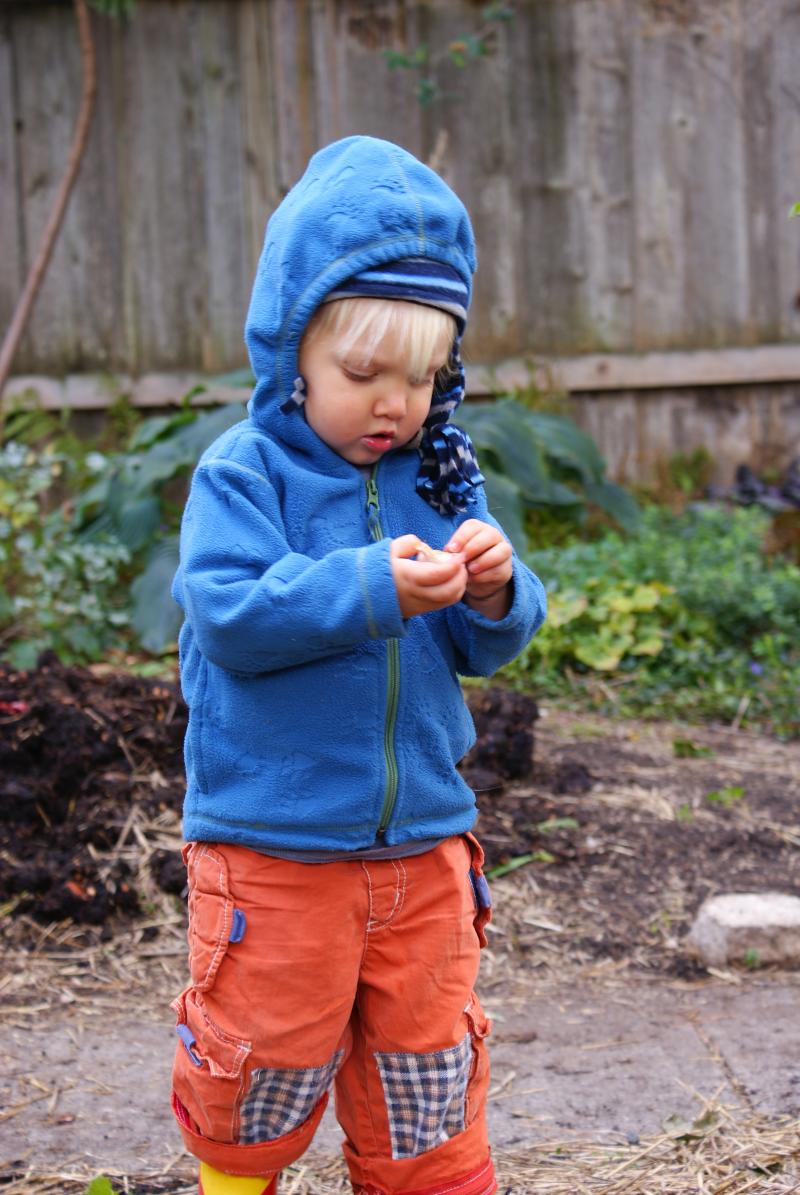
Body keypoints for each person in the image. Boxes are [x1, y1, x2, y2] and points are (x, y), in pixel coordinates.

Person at [169, 135, 546, 1195]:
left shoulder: (440, 475)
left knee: (425, 1076)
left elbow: (482, 645)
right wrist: (372, 586)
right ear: (291, 350)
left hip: (424, 844)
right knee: (261, 1064)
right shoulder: (244, 476)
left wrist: (495, 589)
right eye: (363, 374)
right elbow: (231, 615)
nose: (396, 404)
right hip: (274, 848)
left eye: (422, 377)